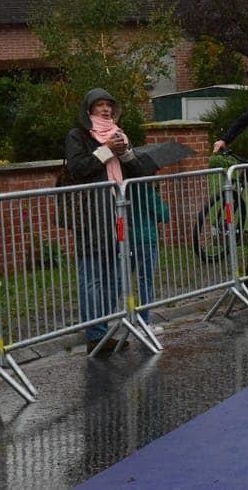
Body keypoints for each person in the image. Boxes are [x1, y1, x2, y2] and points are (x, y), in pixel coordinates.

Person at [64, 89, 151, 354]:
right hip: (91, 215)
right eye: (99, 105)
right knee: (91, 277)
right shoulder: (78, 135)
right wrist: (106, 151)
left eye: (108, 105)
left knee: (113, 278)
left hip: (117, 214)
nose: (105, 109)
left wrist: (126, 155)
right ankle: (94, 335)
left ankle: (105, 331)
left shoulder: (119, 135)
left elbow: (141, 172)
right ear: (89, 110)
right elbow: (78, 168)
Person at [127, 178, 170, 326]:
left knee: (124, 281)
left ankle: (128, 318)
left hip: (128, 238)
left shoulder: (125, 188)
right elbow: (164, 215)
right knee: (146, 281)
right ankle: (145, 322)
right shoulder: (148, 190)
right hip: (147, 239)